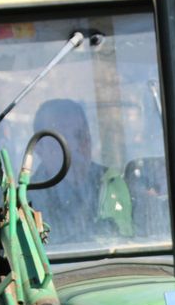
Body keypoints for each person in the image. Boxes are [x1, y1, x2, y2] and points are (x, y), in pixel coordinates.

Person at [27, 97, 134, 243]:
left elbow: (126, 245)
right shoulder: (27, 200)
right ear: (39, 149)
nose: (76, 145)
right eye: (62, 137)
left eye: (80, 134)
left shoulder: (112, 183)